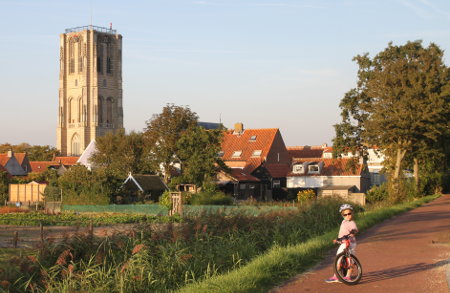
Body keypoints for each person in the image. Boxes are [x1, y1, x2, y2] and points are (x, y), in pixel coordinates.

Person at [325, 203, 358, 283]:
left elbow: (355, 229)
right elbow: (342, 233)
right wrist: (338, 239)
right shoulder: (343, 222)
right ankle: (337, 275)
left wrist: (353, 231)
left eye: (349, 213)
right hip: (343, 243)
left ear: (352, 213)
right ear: (342, 215)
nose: (347, 216)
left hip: (350, 243)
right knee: (339, 258)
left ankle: (348, 276)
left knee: (350, 259)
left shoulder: (351, 222)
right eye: (345, 214)